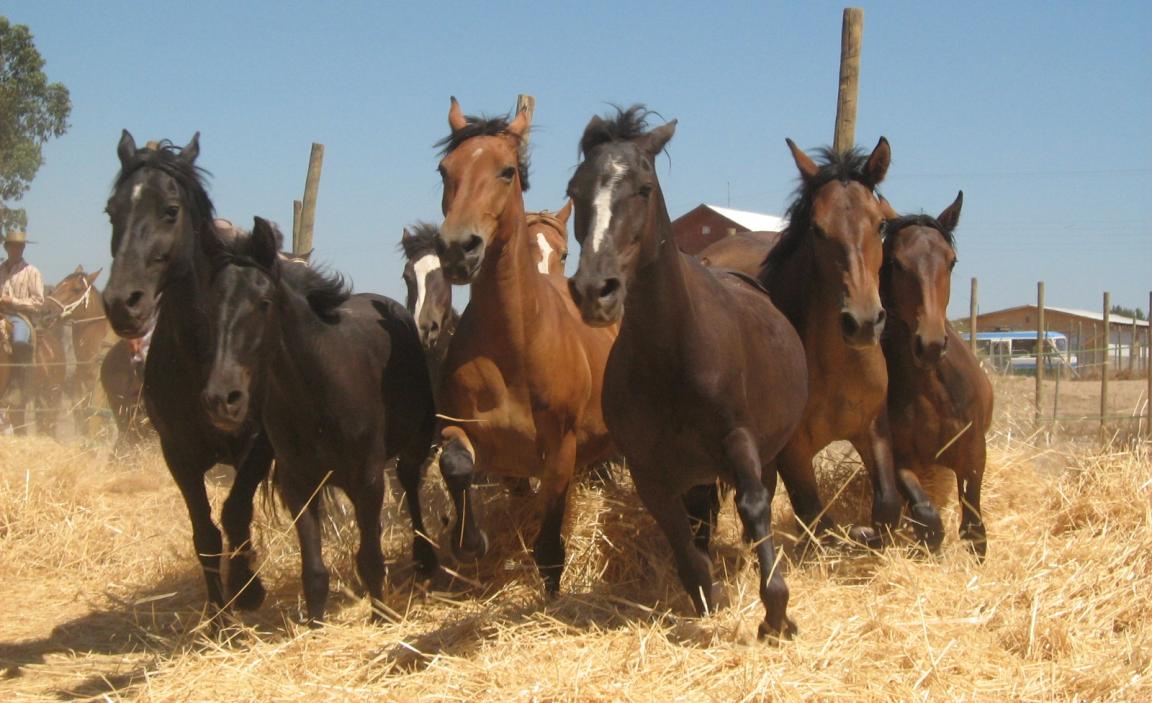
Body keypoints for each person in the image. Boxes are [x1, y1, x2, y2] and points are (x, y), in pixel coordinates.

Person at [1, 230, 45, 426]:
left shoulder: (32, 272)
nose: (16, 249)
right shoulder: (0, 270)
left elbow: (38, 302)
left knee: (19, 341)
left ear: (23, 248)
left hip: (20, 317)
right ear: (7, 248)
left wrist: (13, 301)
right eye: (12, 246)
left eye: (19, 246)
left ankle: (18, 385)